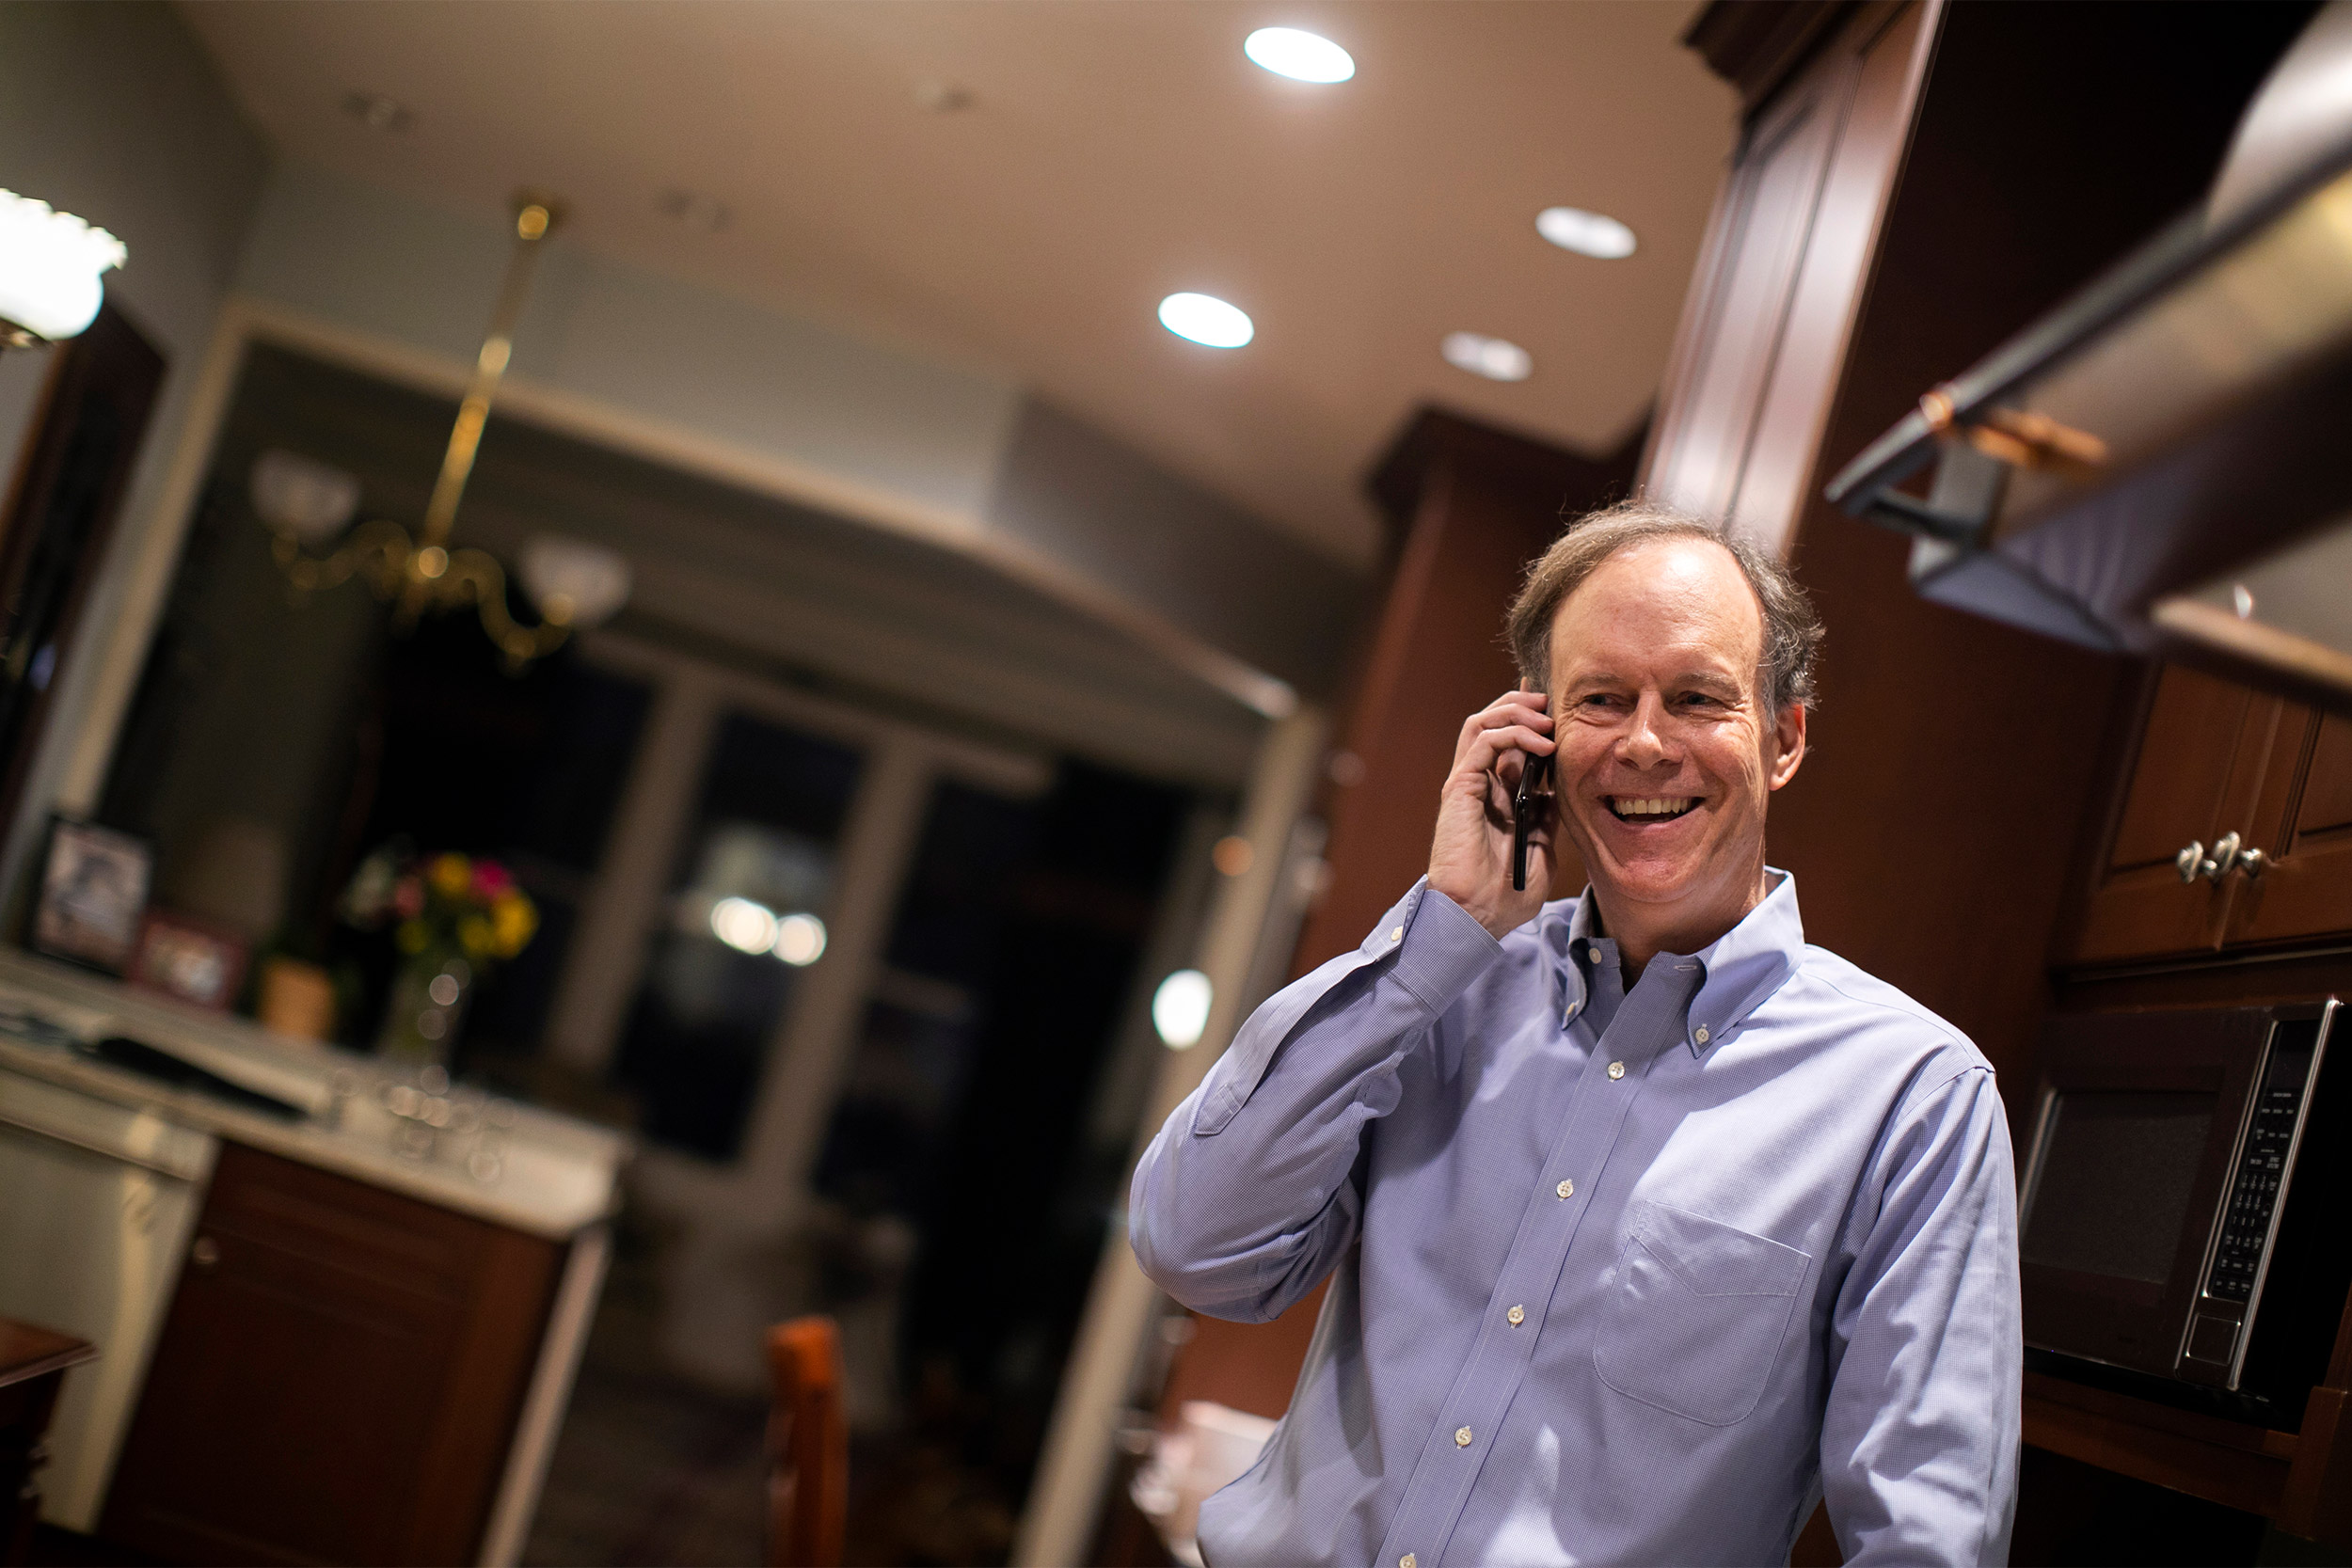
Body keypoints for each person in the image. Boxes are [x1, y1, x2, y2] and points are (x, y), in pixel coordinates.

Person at [1130, 501, 2020, 1567]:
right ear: (1537, 733)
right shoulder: (1441, 991)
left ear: (1781, 738)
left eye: (1696, 697)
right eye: (1602, 698)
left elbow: (1927, 1539)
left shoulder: (1911, 1093)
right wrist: (1438, 934)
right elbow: (1198, 1247)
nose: (1645, 741)